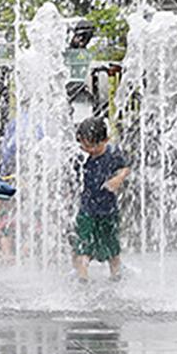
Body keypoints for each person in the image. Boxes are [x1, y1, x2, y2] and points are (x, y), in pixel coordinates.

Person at [72, 117, 130, 281]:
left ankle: (116, 274)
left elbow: (125, 168)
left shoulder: (113, 154)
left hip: (108, 210)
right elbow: (71, 177)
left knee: (112, 246)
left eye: (91, 145)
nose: (87, 149)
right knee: (83, 246)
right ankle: (83, 278)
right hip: (86, 210)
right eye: (83, 145)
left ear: (105, 140)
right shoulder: (81, 158)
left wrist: (118, 179)